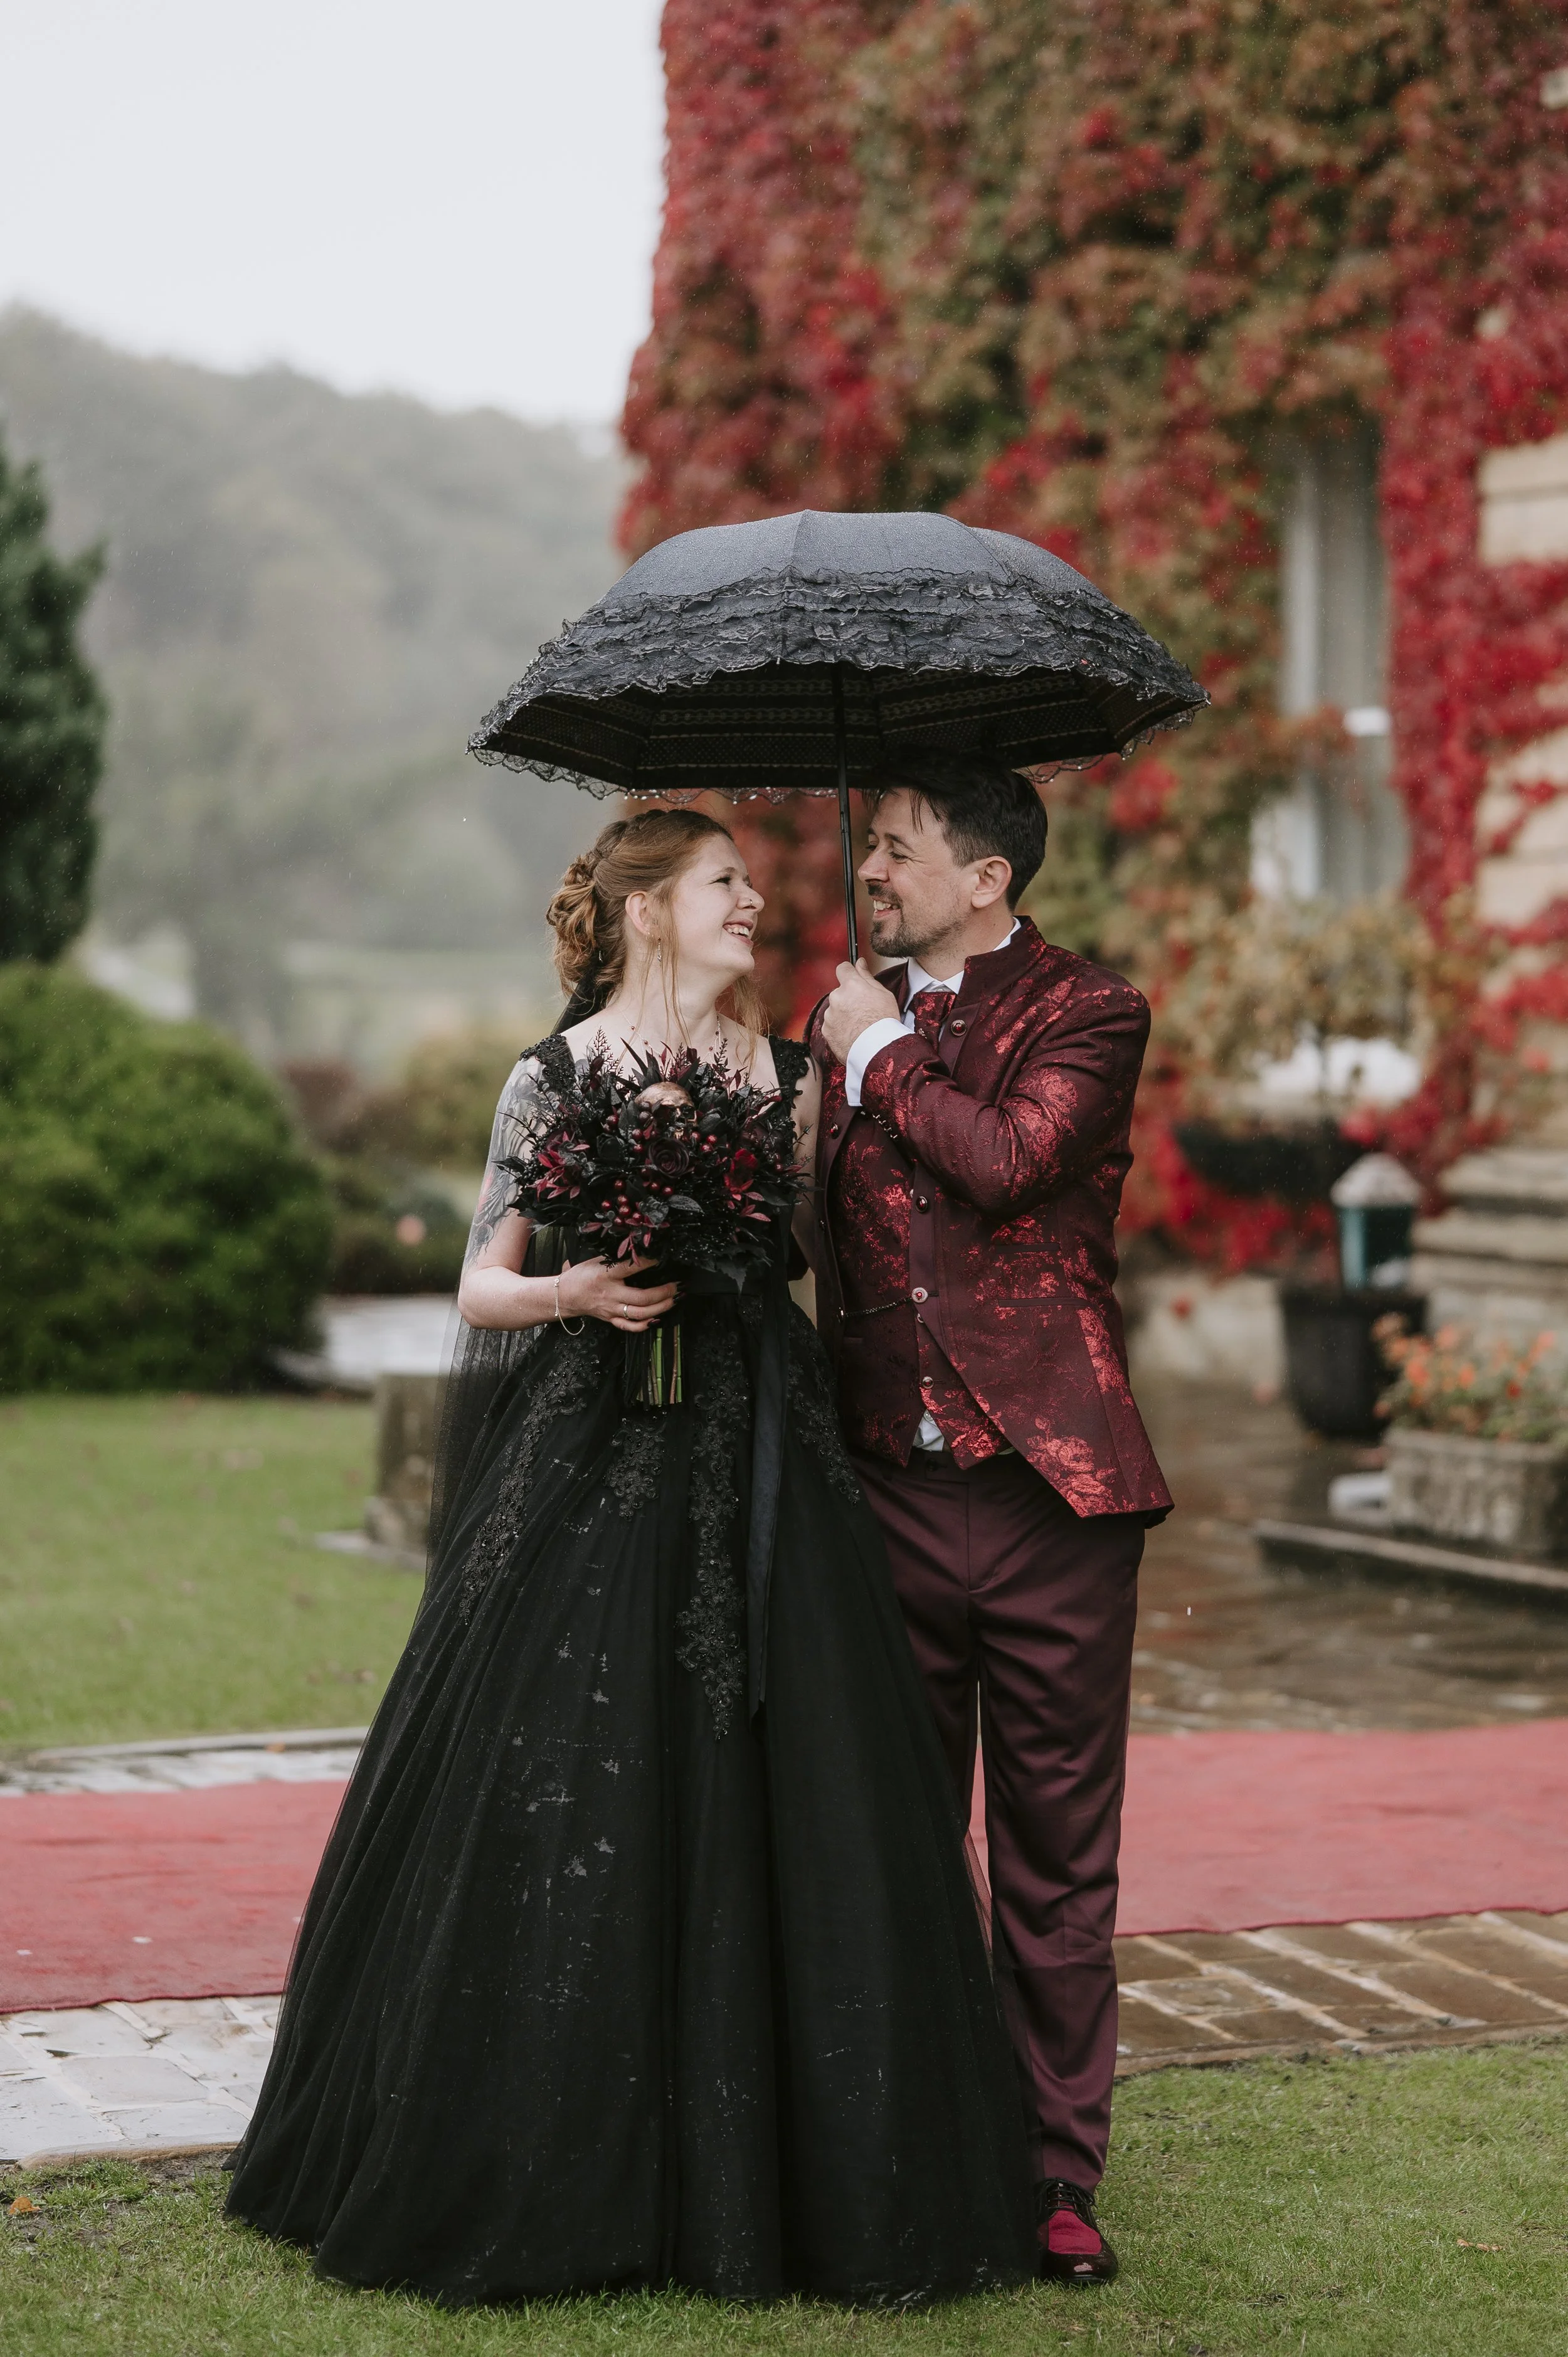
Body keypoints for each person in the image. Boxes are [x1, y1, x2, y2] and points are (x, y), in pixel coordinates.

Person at [226, 806, 1036, 2308]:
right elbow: (479, 1280)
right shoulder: (554, 1076)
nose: (758, 903)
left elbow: (828, 1251)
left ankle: (796, 2165)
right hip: (590, 1448)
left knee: (784, 1770)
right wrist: (581, 1289)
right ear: (649, 910)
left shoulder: (789, 1075)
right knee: (570, 1764)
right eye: (727, 884)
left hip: (768, 1450)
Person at [809, 751, 1173, 2287]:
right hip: (877, 1496)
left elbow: (1009, 1163)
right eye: (870, 843)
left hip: (1050, 1500)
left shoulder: (1090, 1014)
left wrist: (880, 1048)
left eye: (892, 848)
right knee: (886, 1846)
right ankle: (900, 2149)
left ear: (985, 880)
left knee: (1050, 1863)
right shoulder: (835, 1022)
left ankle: (1049, 2178)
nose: (868, 869)